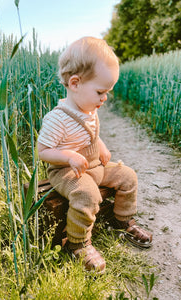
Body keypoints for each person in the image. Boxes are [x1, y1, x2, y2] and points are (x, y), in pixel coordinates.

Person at [37, 37, 152, 274]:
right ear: (75, 83)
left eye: (108, 92)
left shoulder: (88, 109)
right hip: (67, 172)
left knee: (128, 176)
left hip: (93, 167)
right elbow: (43, 151)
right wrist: (68, 156)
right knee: (88, 195)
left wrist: (101, 145)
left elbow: (91, 133)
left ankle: (121, 219)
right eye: (101, 91)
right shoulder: (57, 118)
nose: (105, 98)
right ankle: (78, 243)